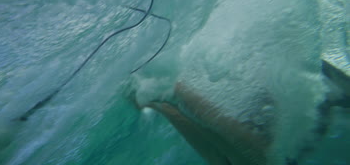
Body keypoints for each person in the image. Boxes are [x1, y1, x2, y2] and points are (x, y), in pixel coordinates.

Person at [133, 59, 349, 165]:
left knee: (227, 161)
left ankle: (157, 100)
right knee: (261, 160)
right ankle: (170, 90)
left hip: (304, 139)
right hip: (305, 118)